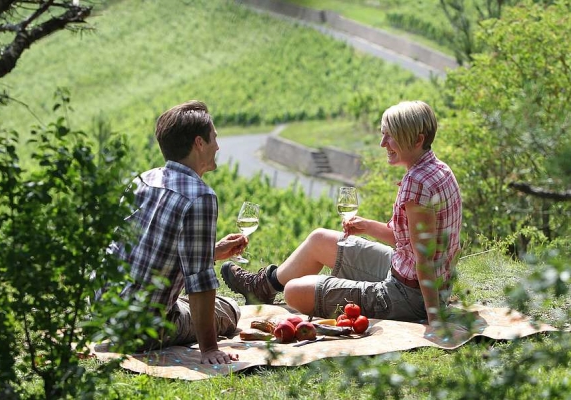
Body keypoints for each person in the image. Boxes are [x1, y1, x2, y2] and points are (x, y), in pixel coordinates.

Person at [221, 100, 462, 325]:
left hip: (409, 295)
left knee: (294, 291)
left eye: (391, 136)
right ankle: (262, 287)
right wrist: (367, 226)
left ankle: (265, 288)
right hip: (409, 275)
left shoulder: (417, 183)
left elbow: (425, 260)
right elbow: (408, 241)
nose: (383, 143)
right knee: (320, 239)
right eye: (383, 134)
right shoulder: (438, 169)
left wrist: (435, 320)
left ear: (418, 140)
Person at [104, 100, 247, 364]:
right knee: (229, 309)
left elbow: (145, 250)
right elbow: (200, 280)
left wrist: (211, 252)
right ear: (199, 143)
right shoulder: (200, 196)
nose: (218, 145)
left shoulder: (144, 179)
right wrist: (210, 349)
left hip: (105, 315)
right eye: (214, 137)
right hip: (141, 331)